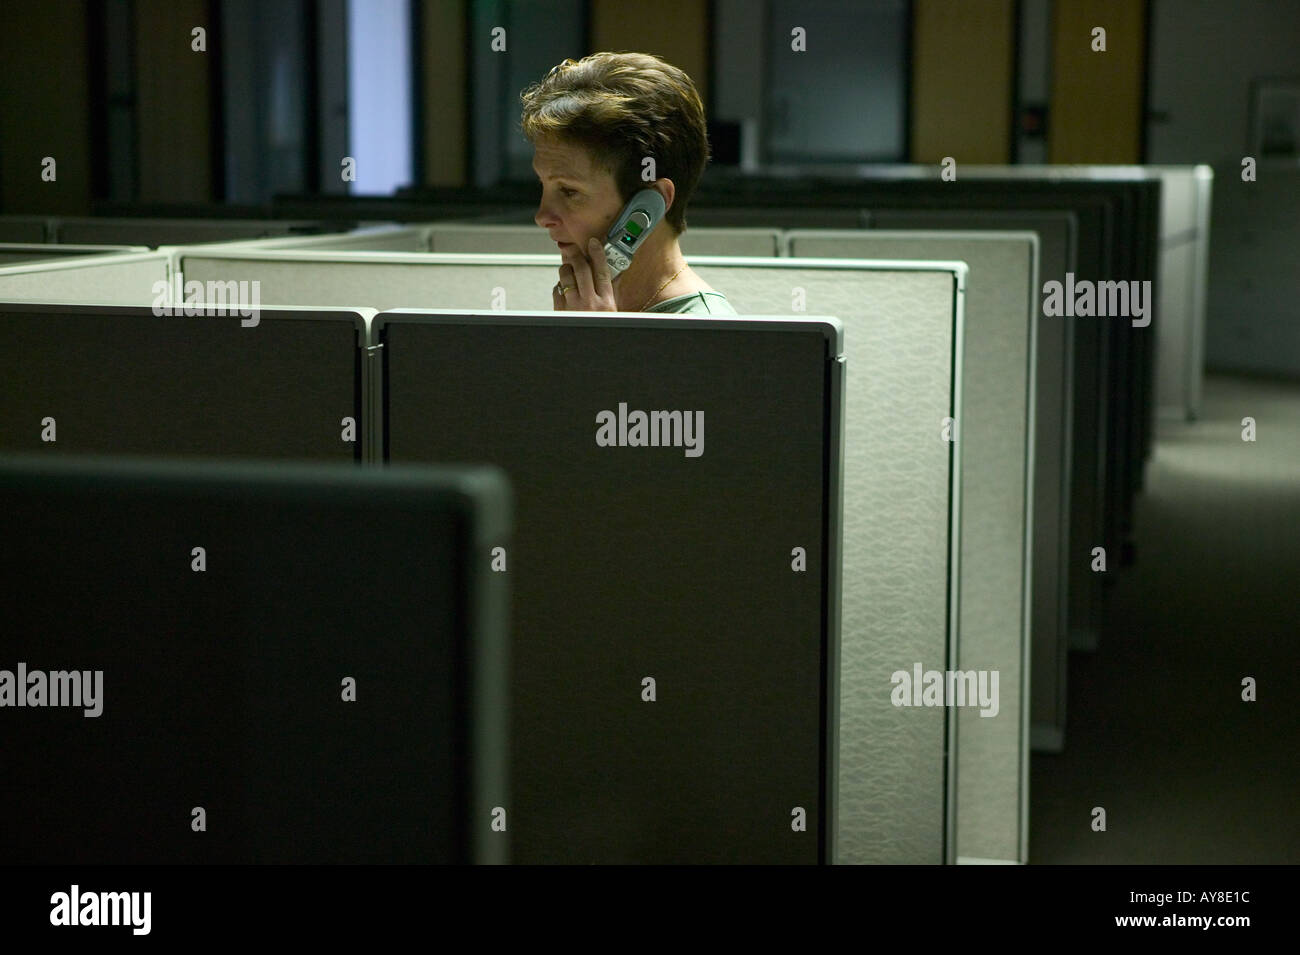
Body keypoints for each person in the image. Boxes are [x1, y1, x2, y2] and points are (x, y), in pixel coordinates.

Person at [520, 52, 738, 316]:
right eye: (543, 185)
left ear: (649, 205)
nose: (542, 217)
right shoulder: (586, 306)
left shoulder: (706, 329)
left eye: (569, 191)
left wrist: (593, 341)